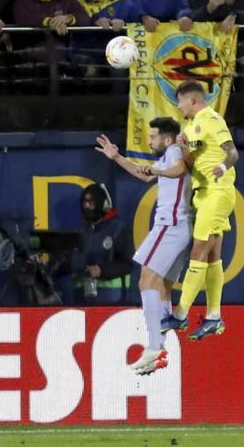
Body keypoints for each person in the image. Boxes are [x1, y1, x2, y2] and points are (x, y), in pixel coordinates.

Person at [95, 118, 192, 375]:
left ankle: (155, 347)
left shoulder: (174, 152)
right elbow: (144, 174)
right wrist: (116, 157)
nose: (149, 140)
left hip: (170, 225)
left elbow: (179, 169)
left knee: (146, 281)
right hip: (180, 228)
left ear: (168, 138)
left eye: (153, 136)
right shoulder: (169, 155)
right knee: (161, 286)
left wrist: (158, 171)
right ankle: (159, 347)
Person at [162, 81, 240, 341]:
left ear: (192, 101)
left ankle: (181, 314)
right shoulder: (190, 126)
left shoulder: (213, 119)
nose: (178, 106)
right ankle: (213, 317)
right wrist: (184, 146)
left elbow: (233, 153)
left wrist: (222, 166)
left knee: (198, 249)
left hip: (218, 191)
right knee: (212, 255)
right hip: (203, 194)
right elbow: (192, 163)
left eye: (180, 101)